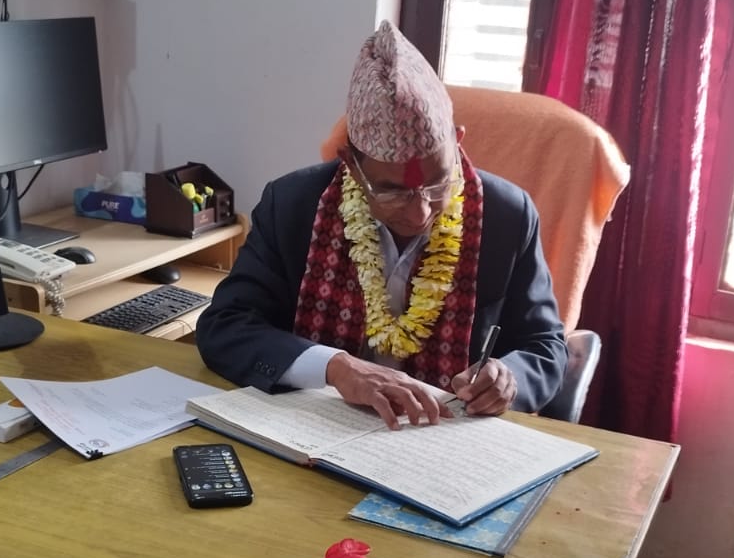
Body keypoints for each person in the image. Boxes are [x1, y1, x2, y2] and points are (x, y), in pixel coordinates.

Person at [195, 21, 567, 425]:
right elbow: (225, 326)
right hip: (317, 426)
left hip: (448, 436)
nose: (420, 212)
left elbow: (545, 346)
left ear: (458, 142)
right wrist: (334, 367)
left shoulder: (508, 215)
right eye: (392, 192)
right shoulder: (292, 205)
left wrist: (509, 377)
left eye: (438, 183)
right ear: (351, 165)